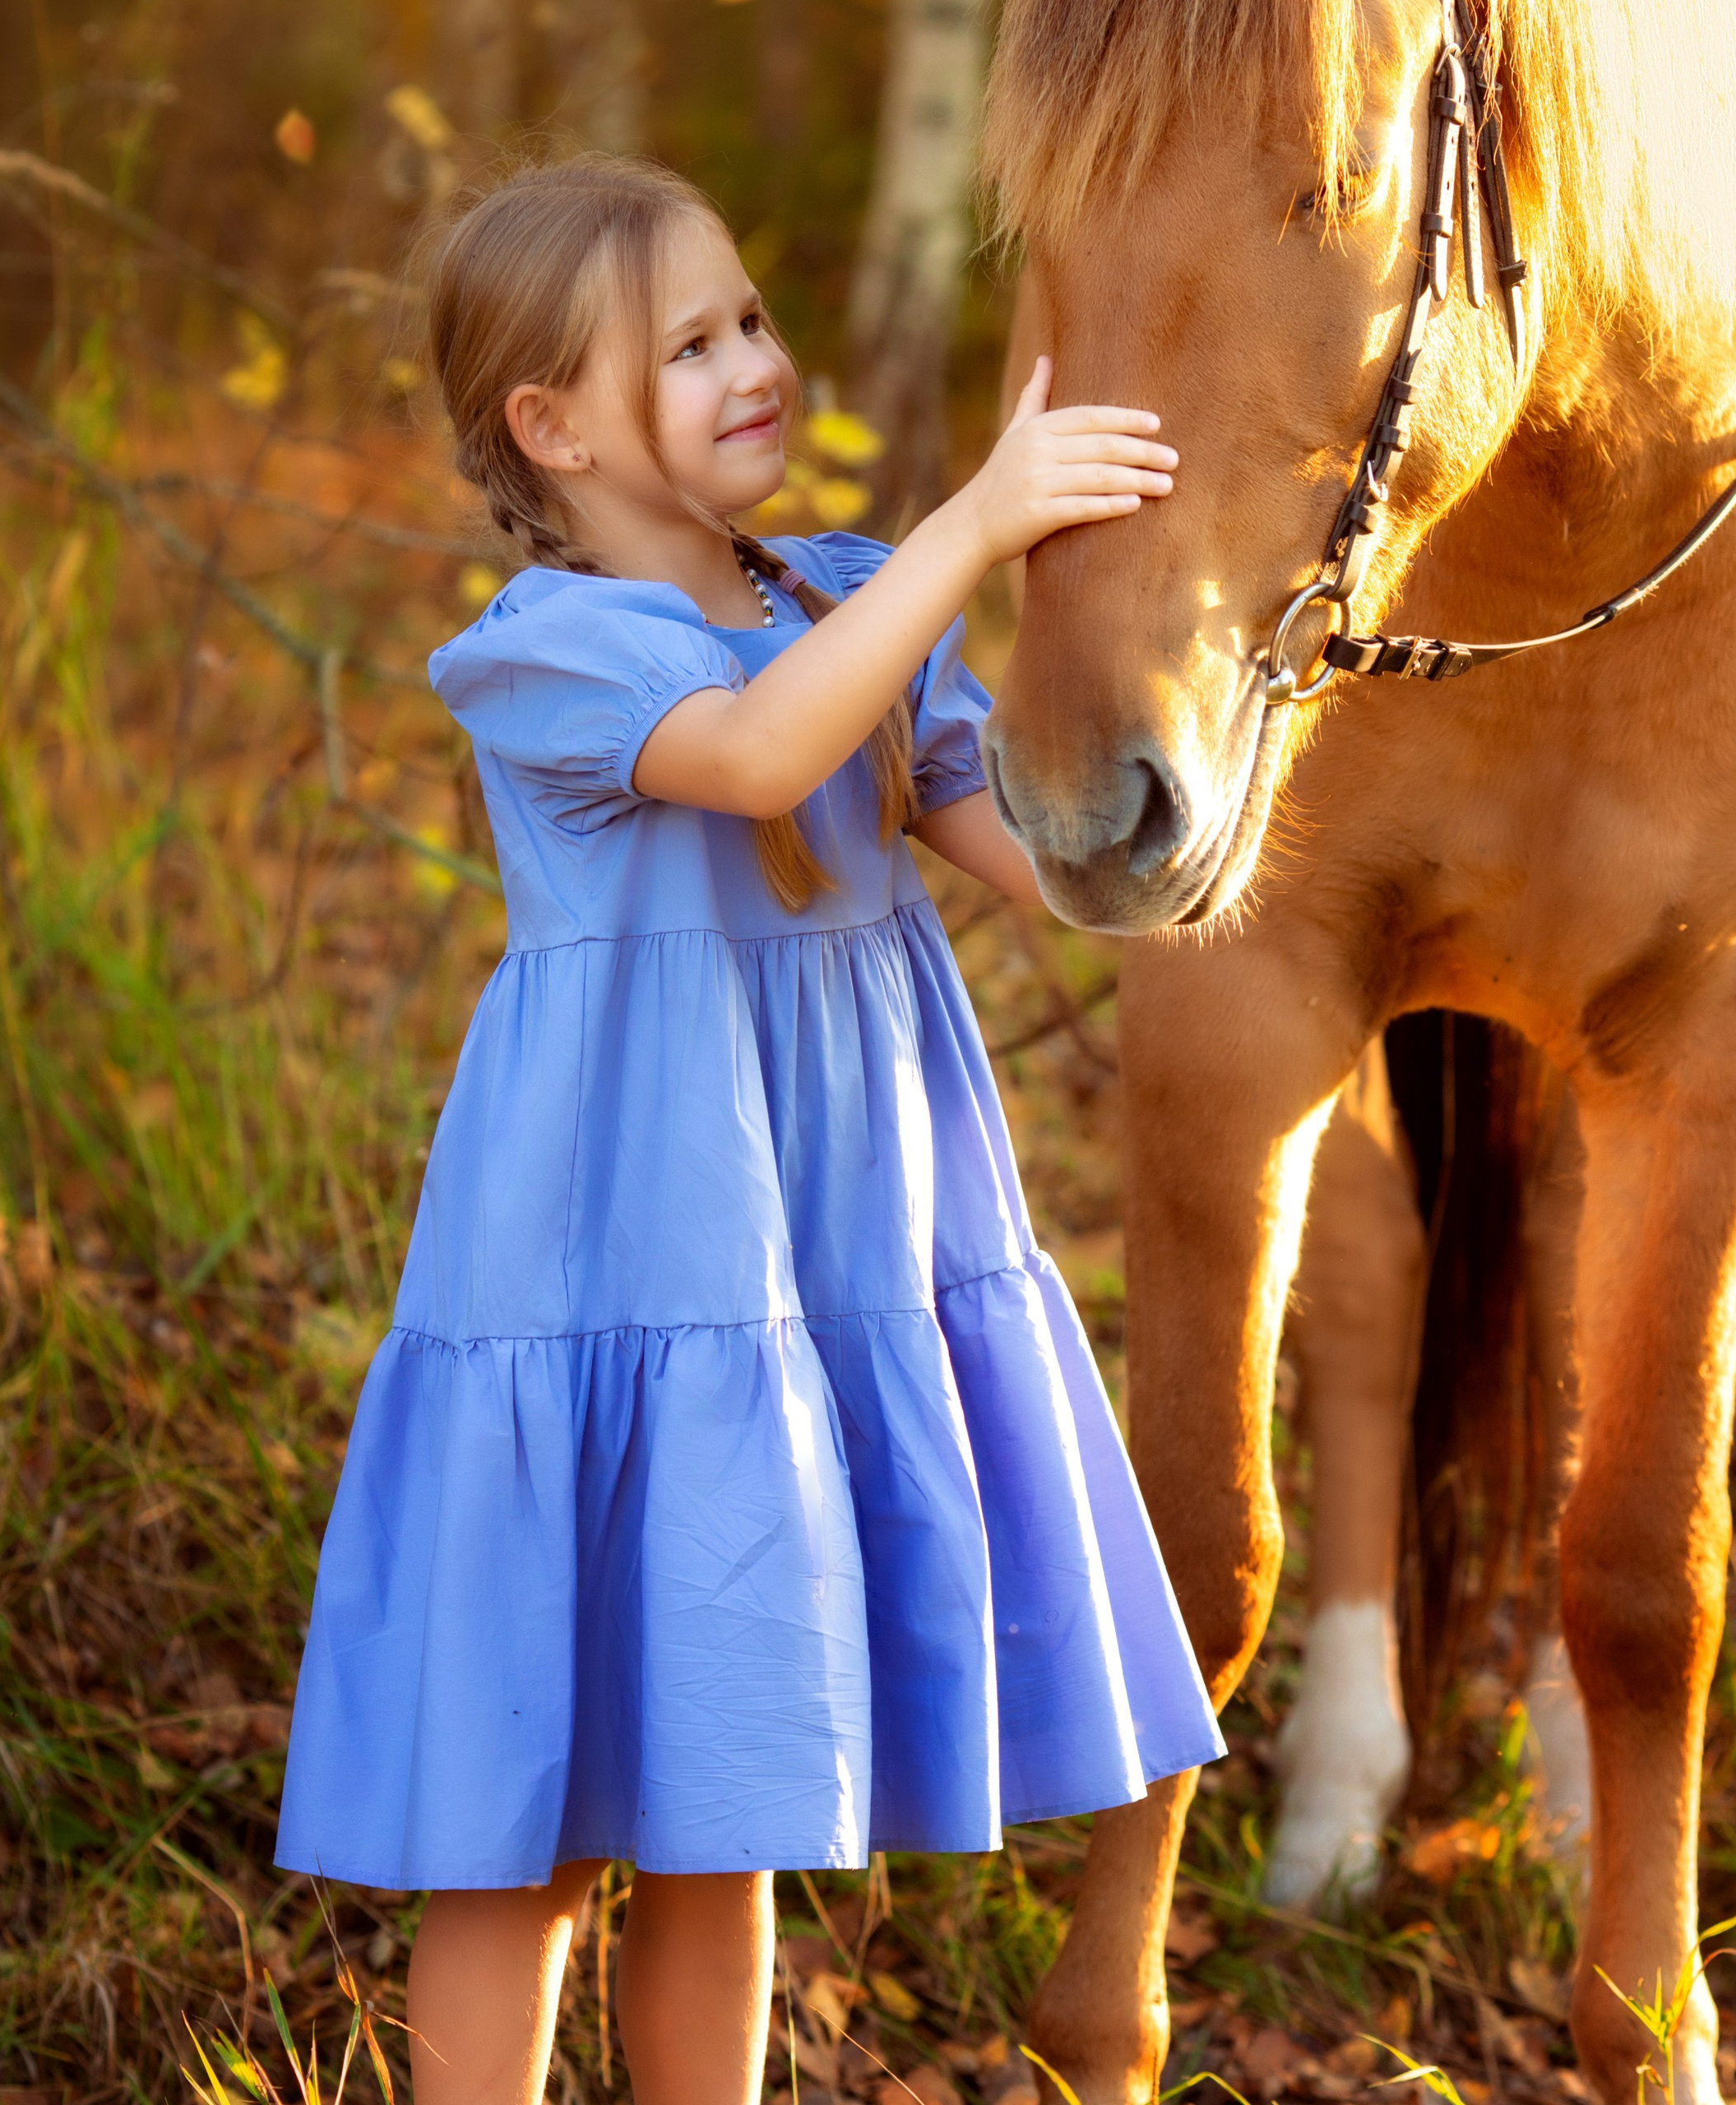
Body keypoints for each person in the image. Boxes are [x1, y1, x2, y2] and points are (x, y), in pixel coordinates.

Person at [274, 155, 1224, 2105]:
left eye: (751, 320)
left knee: (725, 1785)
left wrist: (1202, 727)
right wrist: (972, 526)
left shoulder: (848, 594)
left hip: (820, 1250)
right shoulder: (544, 647)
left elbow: (1047, 866)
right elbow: (765, 751)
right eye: (686, 346)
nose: (749, 364)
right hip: (610, 1255)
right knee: (526, 1819)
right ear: (549, 423)